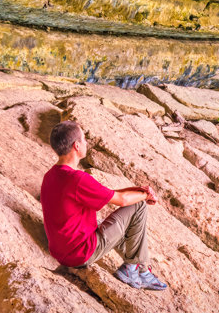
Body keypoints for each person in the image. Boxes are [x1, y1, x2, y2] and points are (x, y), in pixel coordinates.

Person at [40, 120, 167, 291]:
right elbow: (122, 200)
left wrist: (138, 190)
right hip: (80, 253)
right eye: (84, 139)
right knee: (139, 207)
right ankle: (135, 270)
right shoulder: (77, 179)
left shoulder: (51, 175)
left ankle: (140, 268)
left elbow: (106, 193)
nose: (86, 142)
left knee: (117, 224)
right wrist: (145, 196)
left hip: (62, 250)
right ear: (77, 146)